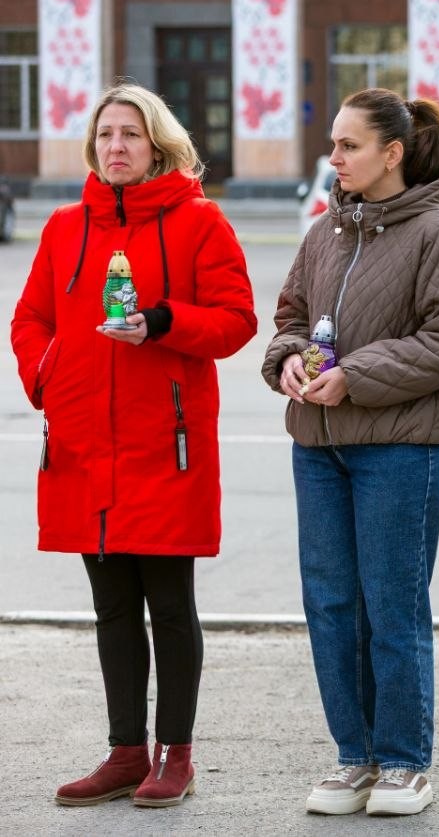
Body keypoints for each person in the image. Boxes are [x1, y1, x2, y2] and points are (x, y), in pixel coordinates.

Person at [10, 82, 257, 808]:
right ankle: (125, 750)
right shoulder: (64, 227)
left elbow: (235, 319)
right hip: (86, 445)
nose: (116, 147)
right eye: (106, 135)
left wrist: (161, 321)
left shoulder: (199, 224)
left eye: (131, 135)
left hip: (165, 445)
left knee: (170, 604)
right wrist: (46, 373)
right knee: (111, 606)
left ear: (158, 146)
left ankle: (174, 753)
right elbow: (29, 320)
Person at [261, 88, 439, 817]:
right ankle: (354, 754)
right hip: (317, 448)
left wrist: (355, 375)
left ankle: (405, 760)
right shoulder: (327, 232)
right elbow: (290, 316)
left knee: (393, 608)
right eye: (333, 144)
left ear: (392, 153)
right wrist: (289, 360)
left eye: (349, 145)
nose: (335, 157)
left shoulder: (435, 234)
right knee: (329, 604)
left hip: (399, 450)